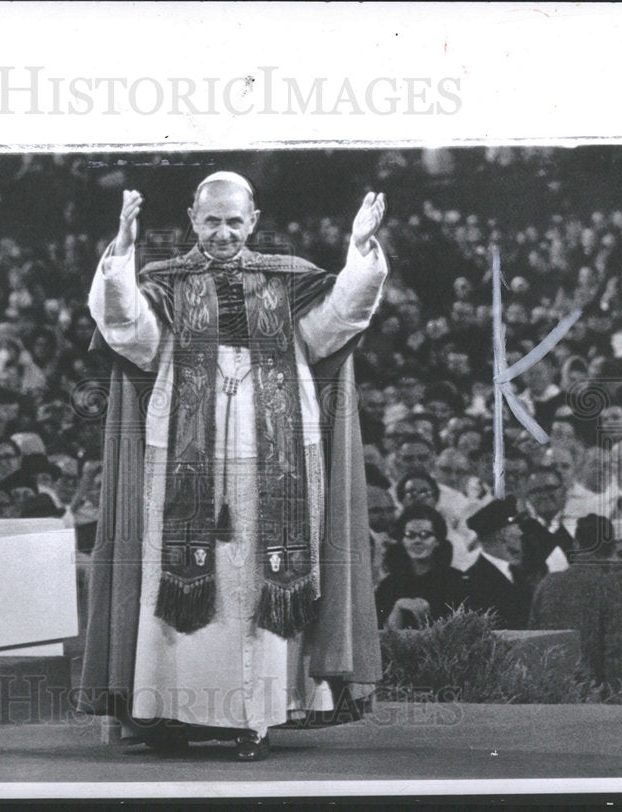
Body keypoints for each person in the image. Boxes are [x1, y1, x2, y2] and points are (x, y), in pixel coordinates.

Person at [79, 172, 387, 761]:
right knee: (178, 580)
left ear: (254, 220)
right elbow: (128, 333)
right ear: (193, 218)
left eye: (234, 221)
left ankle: (254, 719)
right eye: (211, 220)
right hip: (182, 460)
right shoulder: (165, 284)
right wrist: (120, 254)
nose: (223, 233)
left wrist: (362, 253)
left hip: (275, 459)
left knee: (254, 585)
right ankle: (167, 713)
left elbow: (339, 323)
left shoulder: (287, 281)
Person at [528, 515, 622, 686]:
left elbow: (532, 638)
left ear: (576, 544)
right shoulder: (614, 587)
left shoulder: (548, 583)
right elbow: (619, 653)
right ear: (610, 549)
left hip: (548, 690)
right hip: (593, 694)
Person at [375, 505, 468, 630]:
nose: (417, 541)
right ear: (402, 541)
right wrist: (398, 607)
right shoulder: (388, 585)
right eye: (410, 535)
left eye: (425, 535)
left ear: (438, 541)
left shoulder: (456, 582)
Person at [461, 497, 532, 630]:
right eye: (516, 527)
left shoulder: (516, 573)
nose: (521, 533)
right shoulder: (474, 581)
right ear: (502, 534)